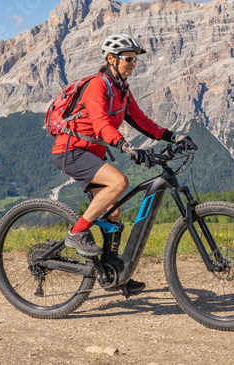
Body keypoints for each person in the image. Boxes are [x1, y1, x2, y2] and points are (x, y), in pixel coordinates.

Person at [51, 33, 195, 293]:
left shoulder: (122, 89)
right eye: (128, 59)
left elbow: (142, 121)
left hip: (91, 152)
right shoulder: (97, 85)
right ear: (111, 59)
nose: (133, 64)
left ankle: (112, 273)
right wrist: (125, 146)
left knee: (113, 210)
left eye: (135, 60)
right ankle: (77, 233)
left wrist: (173, 137)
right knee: (119, 182)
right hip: (70, 150)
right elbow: (99, 122)